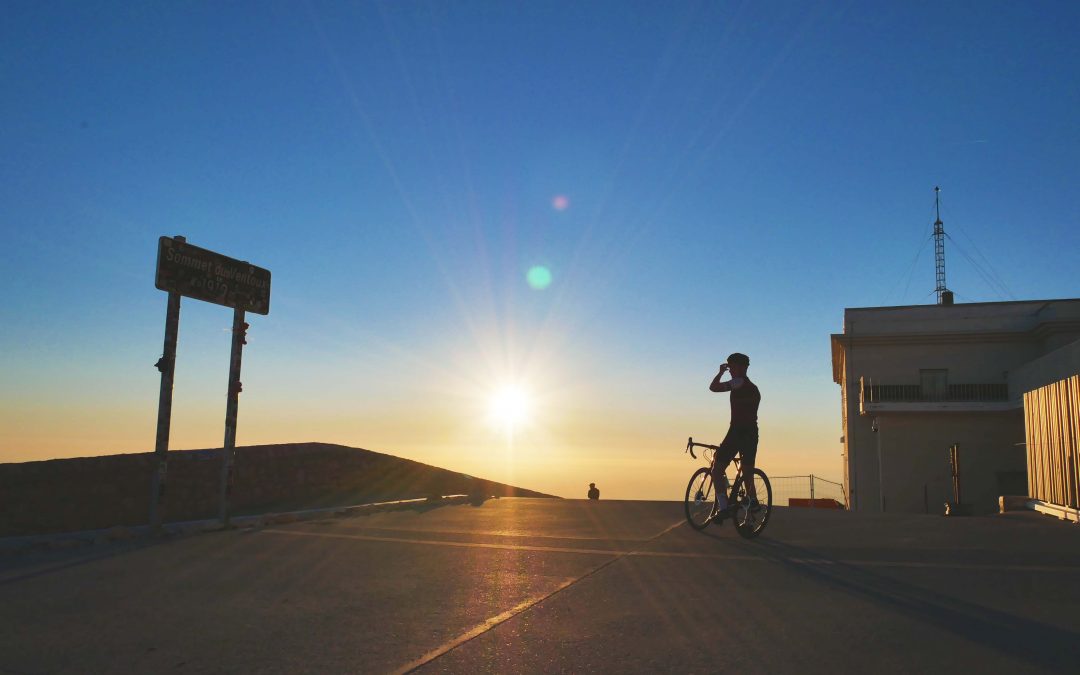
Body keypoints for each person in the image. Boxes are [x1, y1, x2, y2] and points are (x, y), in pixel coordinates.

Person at [708, 352, 761, 510]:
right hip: (752, 433)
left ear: (740, 367)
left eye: (731, 367)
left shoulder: (738, 382)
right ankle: (753, 502)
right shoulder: (754, 388)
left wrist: (720, 372)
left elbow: (713, 387)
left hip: (737, 431)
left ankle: (723, 507)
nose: (730, 370)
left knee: (717, 470)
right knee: (748, 472)